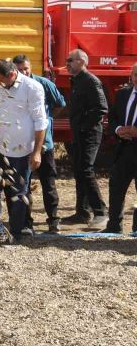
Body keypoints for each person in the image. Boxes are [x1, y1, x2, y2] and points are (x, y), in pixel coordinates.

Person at [0, 59, 48, 240]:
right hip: (1, 148)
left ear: (12, 75)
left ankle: (17, 231)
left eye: (0, 81)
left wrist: (36, 152)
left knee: (19, 192)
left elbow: (40, 122)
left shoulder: (32, 88)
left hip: (23, 150)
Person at [12, 54, 66, 233]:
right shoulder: (12, 88)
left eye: (26, 68)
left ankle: (53, 219)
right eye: (20, 70)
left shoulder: (43, 84)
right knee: (24, 184)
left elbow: (60, 103)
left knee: (48, 182)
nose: (24, 72)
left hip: (44, 144)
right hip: (22, 145)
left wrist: (46, 121)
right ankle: (27, 223)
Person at [62, 49, 109, 229]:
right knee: (79, 170)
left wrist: (83, 126)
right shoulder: (76, 81)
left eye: (70, 61)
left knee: (86, 169)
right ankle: (82, 213)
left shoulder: (91, 81)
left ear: (81, 62)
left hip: (89, 133)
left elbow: (101, 108)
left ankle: (100, 212)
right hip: (79, 133)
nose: (67, 64)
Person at [103, 63, 137, 234]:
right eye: (135, 74)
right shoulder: (123, 94)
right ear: (131, 76)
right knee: (116, 188)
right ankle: (114, 226)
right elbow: (113, 116)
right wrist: (118, 130)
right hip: (123, 149)